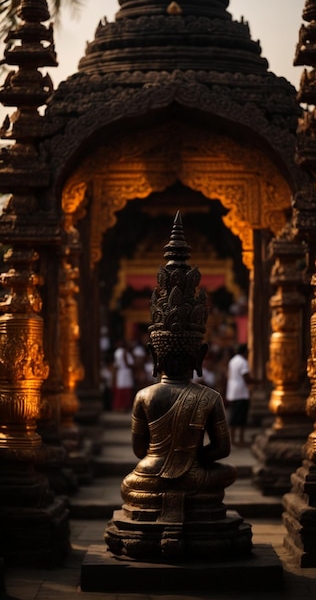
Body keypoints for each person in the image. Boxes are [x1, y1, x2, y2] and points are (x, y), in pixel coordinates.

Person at [104, 212, 253, 560]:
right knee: (225, 475)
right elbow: (222, 451)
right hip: (197, 480)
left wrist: (167, 464)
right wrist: (191, 461)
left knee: (131, 484)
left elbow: (141, 451)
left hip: (150, 479)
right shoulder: (210, 396)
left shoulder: (144, 395)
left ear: (154, 354)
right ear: (200, 354)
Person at [226, 343, 254, 447]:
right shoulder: (243, 362)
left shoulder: (232, 361)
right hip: (241, 392)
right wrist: (256, 382)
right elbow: (246, 377)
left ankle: (233, 439)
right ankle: (240, 439)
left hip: (233, 391)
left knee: (234, 417)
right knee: (241, 418)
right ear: (245, 352)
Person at [112, 339, 134, 412]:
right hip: (126, 372)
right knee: (126, 390)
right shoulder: (124, 352)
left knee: (120, 390)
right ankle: (124, 407)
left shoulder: (117, 352)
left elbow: (116, 365)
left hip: (120, 373)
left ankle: (119, 407)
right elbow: (127, 363)